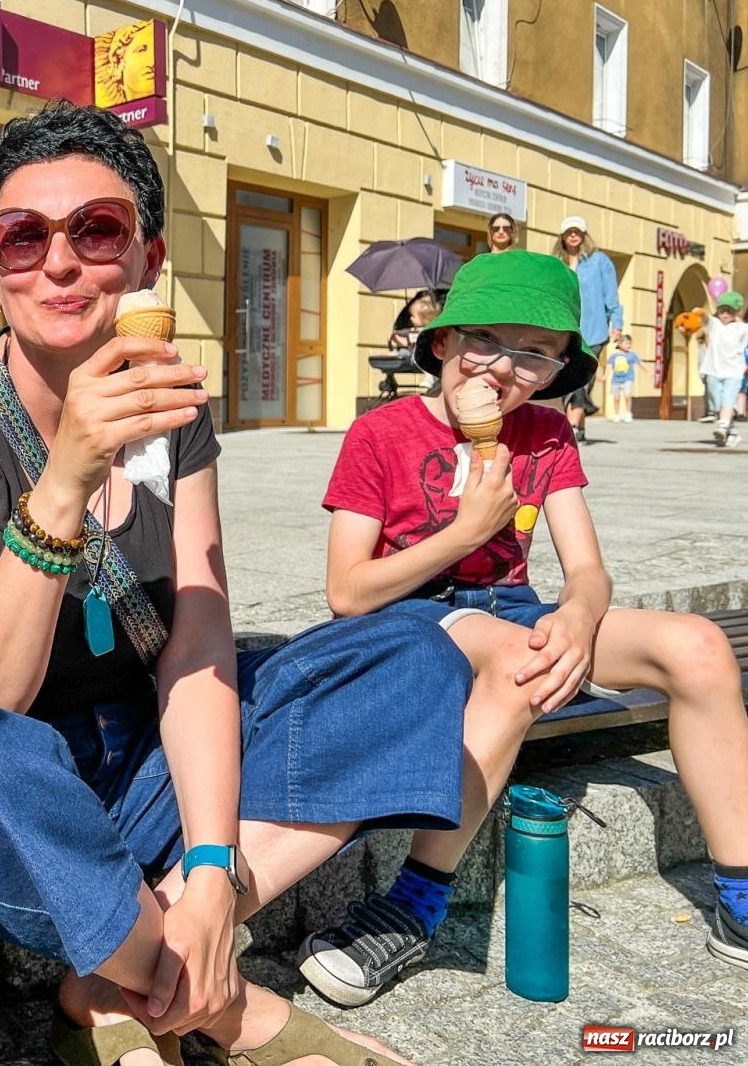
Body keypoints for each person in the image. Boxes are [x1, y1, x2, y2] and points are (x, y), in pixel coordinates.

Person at [0, 101, 474, 1066]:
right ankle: (211, 1004)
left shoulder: (173, 411)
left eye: (96, 231)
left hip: (133, 763)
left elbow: (195, 644)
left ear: (143, 260)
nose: (60, 263)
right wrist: (65, 478)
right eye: (23, 238)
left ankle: (134, 960)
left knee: (410, 653)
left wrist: (217, 871)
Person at [297, 250, 748, 1007]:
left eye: (534, 353)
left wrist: (577, 613)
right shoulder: (381, 433)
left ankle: (738, 893)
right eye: (485, 342)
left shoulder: (544, 434)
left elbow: (588, 570)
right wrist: (466, 528)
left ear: (557, 369)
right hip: (419, 616)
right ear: (440, 343)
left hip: (519, 609)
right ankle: (414, 904)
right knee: (520, 660)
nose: (503, 370)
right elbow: (346, 591)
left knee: (697, 645)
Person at [555, 215, 623, 444]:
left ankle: (571, 427)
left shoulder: (599, 261)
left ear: (584, 235)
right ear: (563, 236)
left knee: (581, 378)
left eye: (577, 231)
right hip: (565, 329)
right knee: (567, 377)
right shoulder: (557, 262)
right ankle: (580, 428)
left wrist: (617, 323)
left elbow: (611, 295)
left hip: (593, 330)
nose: (573, 235)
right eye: (569, 232)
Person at [698, 291, 748, 447]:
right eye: (722, 309)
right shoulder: (715, 324)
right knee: (718, 404)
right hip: (713, 371)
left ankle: (723, 425)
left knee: (728, 400)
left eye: (729, 310)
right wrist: (699, 313)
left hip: (733, 372)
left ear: (737, 311)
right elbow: (705, 318)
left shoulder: (742, 328)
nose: (725, 313)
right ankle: (732, 433)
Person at [387, 290, 440, 355]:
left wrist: (402, 341)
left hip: (420, 360)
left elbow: (412, 343)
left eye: (413, 316)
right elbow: (406, 333)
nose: (410, 318)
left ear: (425, 319)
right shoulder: (415, 330)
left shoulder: (426, 333)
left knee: (403, 353)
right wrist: (396, 334)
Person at [604, 333, 639, 423]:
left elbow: (640, 363)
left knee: (627, 395)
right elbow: (609, 367)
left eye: (630, 343)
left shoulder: (632, 355)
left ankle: (628, 413)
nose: (629, 345)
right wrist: (604, 377)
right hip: (616, 380)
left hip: (628, 378)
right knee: (616, 398)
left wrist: (649, 371)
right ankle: (616, 415)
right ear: (620, 344)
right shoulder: (613, 356)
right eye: (626, 343)